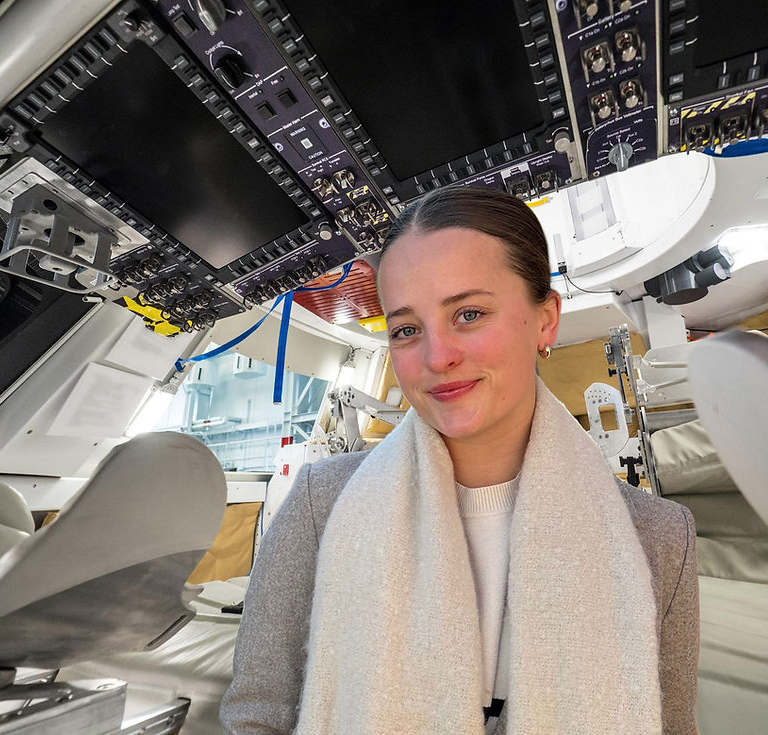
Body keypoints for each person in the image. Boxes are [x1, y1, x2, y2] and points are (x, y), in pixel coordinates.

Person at [221, 186, 698, 734]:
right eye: (406, 329)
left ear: (546, 319)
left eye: (468, 314)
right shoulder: (319, 506)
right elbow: (258, 716)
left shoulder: (659, 537)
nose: (437, 356)